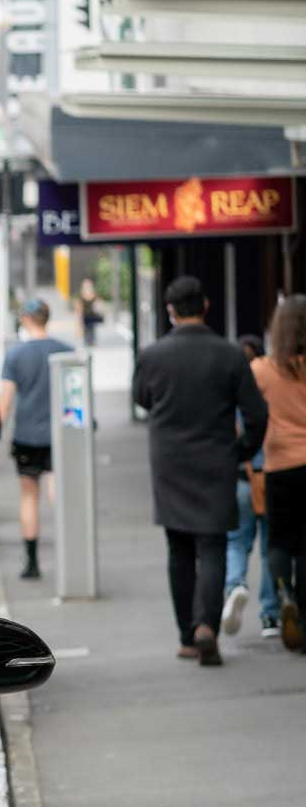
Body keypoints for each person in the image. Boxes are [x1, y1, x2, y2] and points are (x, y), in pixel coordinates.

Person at [131, 275, 268, 666]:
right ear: (205, 306)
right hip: (217, 461)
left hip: (170, 463)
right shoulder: (229, 355)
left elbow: (141, 399)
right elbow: (257, 414)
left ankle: (187, 636)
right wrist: (241, 450)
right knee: (212, 546)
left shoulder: (152, 355)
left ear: (170, 310)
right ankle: (208, 624)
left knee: (179, 547)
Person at [0, 297, 72, 580]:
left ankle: (32, 563)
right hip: (59, 434)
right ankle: (71, 553)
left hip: (26, 435)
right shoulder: (65, 351)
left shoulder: (15, 355)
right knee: (56, 487)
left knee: (29, 496)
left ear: (25, 319)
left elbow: (5, 401)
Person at [251, 297, 306, 652]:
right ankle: (302, 609)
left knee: (279, 540)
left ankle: (284, 592)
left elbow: (249, 413)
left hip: (278, 466)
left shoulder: (261, 369)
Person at [222, 334, 280, 640]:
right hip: (270, 475)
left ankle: (235, 586)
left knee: (235, 543)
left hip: (241, 477)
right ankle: (270, 615)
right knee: (271, 547)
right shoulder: (275, 392)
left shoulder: (230, 396)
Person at [77, 276, 104, 348]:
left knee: (92, 331)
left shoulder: (94, 295)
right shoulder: (81, 297)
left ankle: (92, 342)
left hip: (92, 316)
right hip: (85, 317)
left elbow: (99, 303)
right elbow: (79, 309)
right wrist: (79, 324)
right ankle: (88, 343)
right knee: (87, 332)